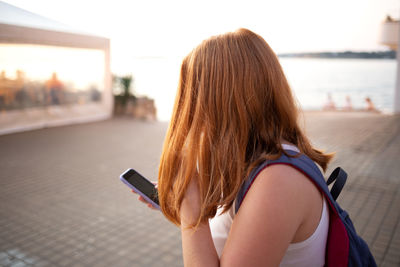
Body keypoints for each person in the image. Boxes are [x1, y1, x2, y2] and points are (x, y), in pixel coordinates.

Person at [135, 28, 333, 266]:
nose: (190, 110)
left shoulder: (278, 180)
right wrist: (187, 201)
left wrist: (191, 208)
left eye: (193, 96)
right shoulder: (256, 160)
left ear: (214, 102)